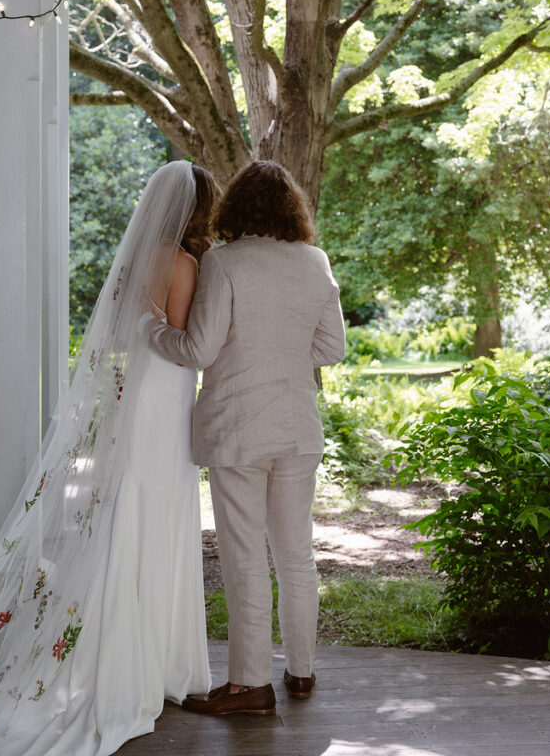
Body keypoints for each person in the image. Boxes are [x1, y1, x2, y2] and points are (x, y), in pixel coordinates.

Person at [0, 160, 216, 755]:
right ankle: (157, 667)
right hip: (166, 398)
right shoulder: (185, 263)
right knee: (160, 516)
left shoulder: (138, 257)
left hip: (136, 398)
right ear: (197, 210)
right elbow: (185, 342)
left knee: (130, 517)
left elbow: (125, 331)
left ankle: (125, 655)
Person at [144, 159, 345, 717]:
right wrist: (281, 357)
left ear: (235, 206)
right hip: (298, 428)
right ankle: (302, 672)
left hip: (238, 430)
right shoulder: (315, 261)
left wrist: (149, 329)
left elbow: (198, 350)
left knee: (244, 558)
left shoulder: (223, 263)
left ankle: (249, 686)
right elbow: (332, 350)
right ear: (292, 209)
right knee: (296, 554)